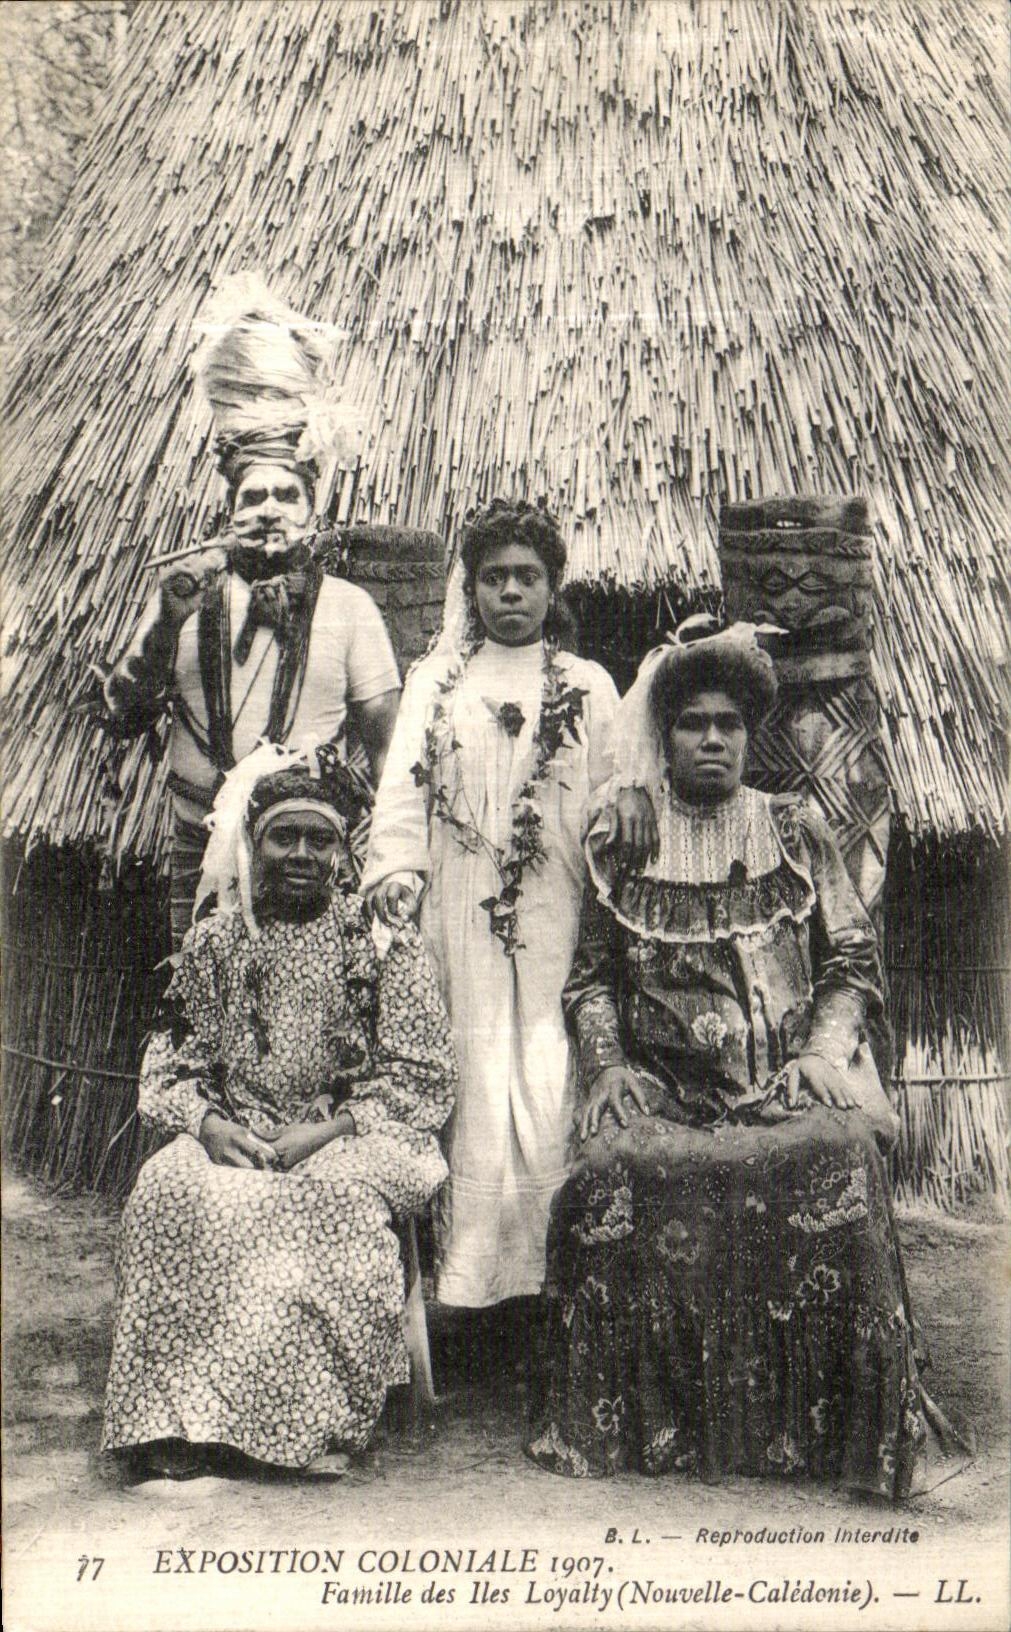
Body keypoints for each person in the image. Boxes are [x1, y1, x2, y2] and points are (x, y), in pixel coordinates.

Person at [526, 618, 934, 1501]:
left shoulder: (793, 828)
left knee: (840, 1158)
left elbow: (851, 959)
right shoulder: (620, 842)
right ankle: (645, 1426)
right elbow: (588, 980)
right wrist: (606, 1068)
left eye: (729, 725)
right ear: (663, 737)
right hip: (665, 1094)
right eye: (690, 723)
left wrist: (824, 1053)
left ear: (752, 736)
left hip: (780, 1086)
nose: (711, 739)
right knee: (606, 1172)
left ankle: (826, 1432)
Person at [101, 742, 456, 1481]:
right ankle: (175, 1422)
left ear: (342, 851)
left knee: (328, 1205)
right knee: (169, 1194)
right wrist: (212, 1126)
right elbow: (172, 1059)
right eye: (283, 837)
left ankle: (305, 1425)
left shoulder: (382, 942)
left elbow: (419, 1077)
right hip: (239, 1124)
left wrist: (323, 1132)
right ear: (254, 845)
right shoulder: (218, 941)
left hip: (354, 1130)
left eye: (319, 839)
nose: (301, 854)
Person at [361, 499, 652, 1313]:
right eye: (495, 578)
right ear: (472, 587)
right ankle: (471, 1281)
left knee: (544, 1063)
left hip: (554, 901)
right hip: (458, 907)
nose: (511, 593)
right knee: (472, 1068)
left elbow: (619, 787)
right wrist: (395, 870)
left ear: (552, 586)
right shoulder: (436, 683)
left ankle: (553, 1281)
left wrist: (624, 797)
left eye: (527, 577)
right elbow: (398, 800)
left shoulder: (588, 684)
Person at [104, 281, 400, 944]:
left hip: (308, 853)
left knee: (306, 1023)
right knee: (202, 1019)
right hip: (194, 843)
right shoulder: (181, 594)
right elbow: (120, 718)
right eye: (253, 495)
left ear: (310, 511)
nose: (268, 508)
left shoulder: (350, 610)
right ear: (227, 512)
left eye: (285, 496)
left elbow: (388, 747)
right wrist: (162, 628)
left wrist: (384, 854)